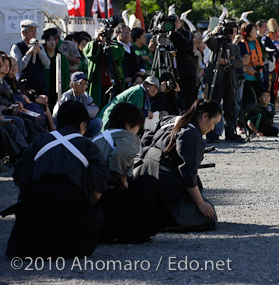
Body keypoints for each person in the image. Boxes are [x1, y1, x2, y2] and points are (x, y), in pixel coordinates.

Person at [6, 101, 109, 258]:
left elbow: (19, 177)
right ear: (83, 123)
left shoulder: (40, 141)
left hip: (34, 223)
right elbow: (97, 192)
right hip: (72, 226)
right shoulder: (89, 147)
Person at [134, 99, 221, 232]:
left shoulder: (171, 120)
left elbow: (147, 136)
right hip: (166, 184)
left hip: (145, 175)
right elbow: (188, 174)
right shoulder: (191, 134)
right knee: (209, 216)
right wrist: (201, 204)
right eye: (214, 123)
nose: (213, 128)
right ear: (204, 116)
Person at [94, 102, 170, 243]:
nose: (137, 132)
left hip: (95, 195)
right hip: (111, 192)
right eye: (137, 128)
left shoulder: (97, 137)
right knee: (148, 182)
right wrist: (122, 178)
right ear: (129, 125)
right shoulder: (128, 137)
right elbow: (118, 157)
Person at [203, 21, 246, 142]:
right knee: (213, 105)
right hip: (216, 79)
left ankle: (230, 133)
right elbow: (206, 41)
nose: (232, 35)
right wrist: (213, 33)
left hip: (230, 79)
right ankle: (211, 134)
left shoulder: (235, 47)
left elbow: (239, 63)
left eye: (234, 32)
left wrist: (228, 62)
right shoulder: (217, 43)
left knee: (230, 107)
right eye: (230, 31)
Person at [84, 26, 125, 107]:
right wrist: (96, 40)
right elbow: (89, 52)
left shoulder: (116, 46)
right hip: (97, 82)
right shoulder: (93, 44)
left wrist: (107, 45)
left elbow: (119, 54)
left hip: (113, 83)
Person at [53, 72, 102, 138]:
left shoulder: (86, 96)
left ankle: (90, 141)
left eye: (85, 84)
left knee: (98, 122)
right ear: (73, 84)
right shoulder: (66, 96)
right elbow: (56, 115)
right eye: (80, 83)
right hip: (69, 127)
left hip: (82, 126)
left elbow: (95, 110)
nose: (83, 86)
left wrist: (79, 110)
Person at [10, 20, 50, 95]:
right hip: (26, 87)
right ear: (23, 33)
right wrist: (29, 53)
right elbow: (18, 66)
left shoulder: (39, 46)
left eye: (35, 31)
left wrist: (39, 51)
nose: (34, 33)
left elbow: (47, 63)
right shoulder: (17, 47)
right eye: (31, 31)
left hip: (40, 85)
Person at [169, 14, 198, 109]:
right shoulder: (165, 35)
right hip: (171, 71)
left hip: (186, 72)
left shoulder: (186, 33)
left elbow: (188, 46)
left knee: (189, 100)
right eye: (171, 21)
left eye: (176, 21)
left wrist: (175, 33)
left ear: (180, 22)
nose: (174, 23)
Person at [42, 28, 70, 111]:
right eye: (49, 40)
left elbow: (66, 75)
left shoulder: (61, 57)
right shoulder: (42, 58)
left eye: (53, 40)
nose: (52, 42)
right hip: (46, 89)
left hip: (59, 89)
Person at [240, 21, 264, 107]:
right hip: (247, 76)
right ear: (248, 32)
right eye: (254, 30)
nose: (256, 32)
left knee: (260, 98)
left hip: (258, 75)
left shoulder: (257, 42)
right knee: (246, 100)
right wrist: (247, 68)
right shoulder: (241, 44)